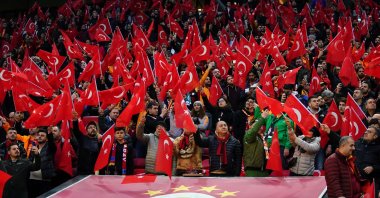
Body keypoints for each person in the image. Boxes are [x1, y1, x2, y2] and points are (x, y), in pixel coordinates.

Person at [28, 128, 57, 197]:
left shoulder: (49, 147)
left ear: (46, 138)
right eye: (38, 135)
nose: (40, 136)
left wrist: (50, 134)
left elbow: (52, 144)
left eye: (42, 135)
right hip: (32, 178)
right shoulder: (34, 147)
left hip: (45, 178)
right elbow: (29, 161)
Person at [243, 109, 271, 177]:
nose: (260, 127)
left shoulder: (263, 138)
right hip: (252, 171)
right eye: (257, 124)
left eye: (261, 125)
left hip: (264, 171)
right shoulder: (248, 135)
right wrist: (262, 118)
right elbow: (253, 131)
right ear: (250, 126)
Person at [354, 126, 380, 197]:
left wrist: (373, 168)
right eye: (366, 131)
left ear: (375, 136)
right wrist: (330, 132)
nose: (366, 132)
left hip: (371, 183)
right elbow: (343, 142)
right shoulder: (358, 143)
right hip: (356, 181)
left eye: (369, 132)